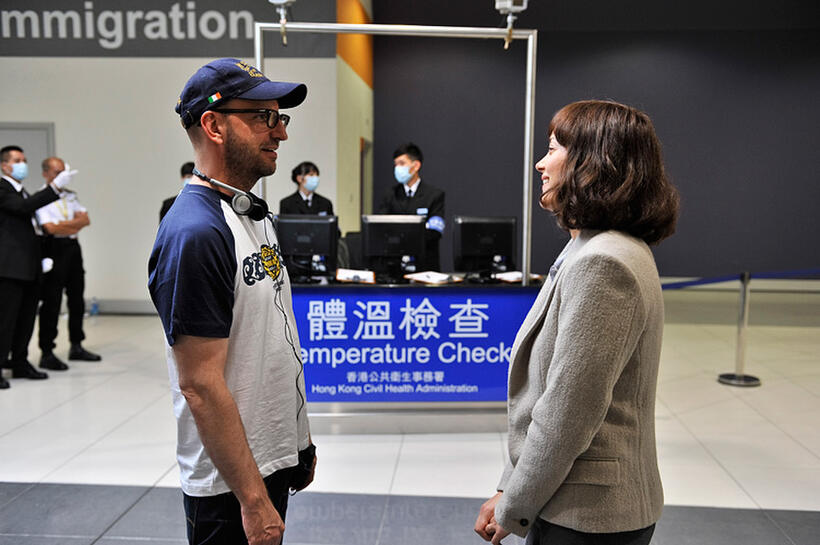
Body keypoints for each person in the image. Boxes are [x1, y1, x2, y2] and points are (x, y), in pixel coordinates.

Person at [475, 100, 679, 545]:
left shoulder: (603, 261)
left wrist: (515, 503)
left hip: (589, 515)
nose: (540, 164)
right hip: (575, 500)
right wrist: (510, 484)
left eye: (552, 149)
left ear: (593, 162)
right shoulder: (594, 246)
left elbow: (567, 412)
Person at [148, 58, 316, 545]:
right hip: (230, 487)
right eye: (264, 117)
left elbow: (273, 339)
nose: (280, 132)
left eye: (281, 117)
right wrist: (253, 499)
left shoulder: (252, 211)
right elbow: (199, 384)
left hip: (268, 458)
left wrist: (297, 444)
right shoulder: (196, 233)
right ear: (213, 124)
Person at [0, 145, 76, 388]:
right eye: (17, 160)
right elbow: (23, 209)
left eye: (24, 159)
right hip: (10, 269)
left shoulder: (22, 191)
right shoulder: (3, 188)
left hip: (29, 267)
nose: (23, 164)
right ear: (4, 165)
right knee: (6, 320)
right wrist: (55, 188)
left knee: (25, 320)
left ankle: (20, 362)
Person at [36, 157, 101, 371]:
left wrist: (64, 225)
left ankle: (76, 345)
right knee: (52, 302)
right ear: (46, 174)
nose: (62, 177)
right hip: (54, 250)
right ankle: (47, 351)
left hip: (73, 250)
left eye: (64, 172)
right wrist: (71, 225)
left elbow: (86, 220)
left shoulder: (70, 196)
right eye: (57, 173)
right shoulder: (41, 197)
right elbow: (50, 229)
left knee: (77, 299)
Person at [376, 142, 445, 271]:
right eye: (396, 164)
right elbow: (382, 228)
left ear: (416, 166)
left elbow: (435, 231)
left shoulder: (434, 195)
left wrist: (404, 234)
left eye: (402, 164)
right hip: (395, 267)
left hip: (424, 267)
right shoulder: (390, 195)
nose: (397, 168)